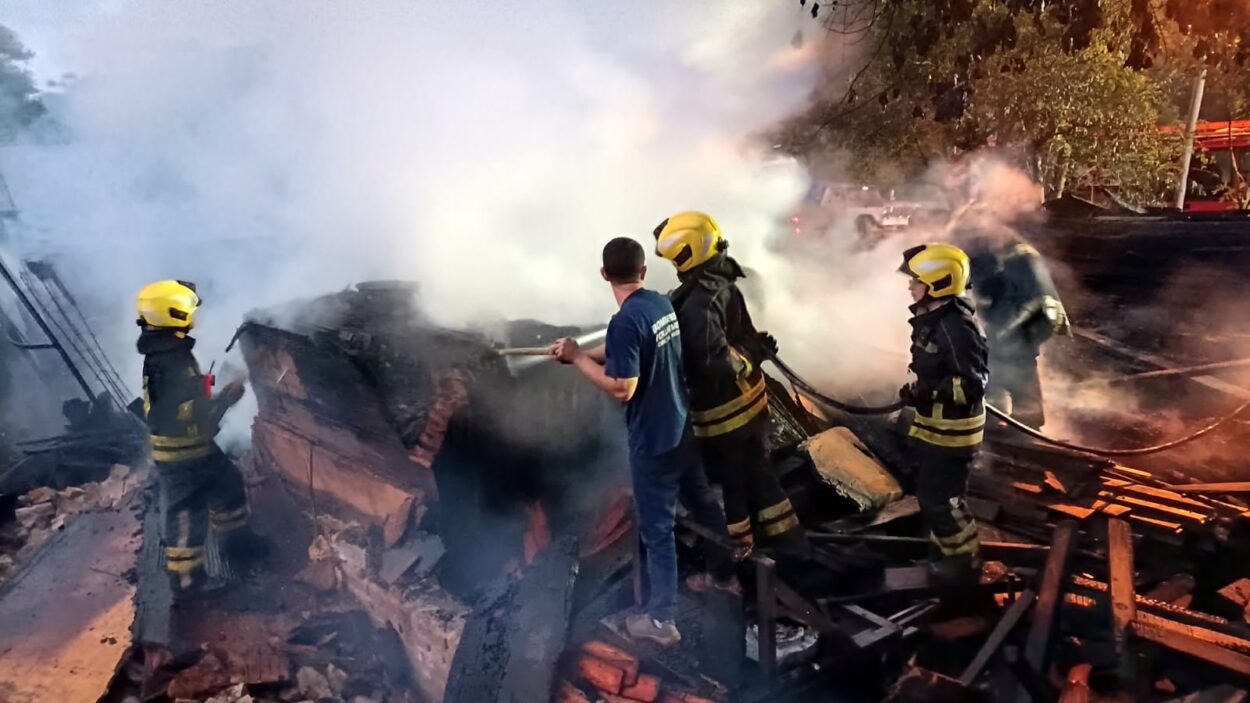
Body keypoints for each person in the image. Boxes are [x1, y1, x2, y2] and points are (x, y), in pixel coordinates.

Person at [551, 237, 729, 647]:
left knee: (657, 529)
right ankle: (725, 576)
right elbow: (629, 349)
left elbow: (623, 388)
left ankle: (661, 619)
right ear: (644, 271)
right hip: (682, 426)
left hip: (654, 442)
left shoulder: (625, 321)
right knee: (702, 500)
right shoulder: (659, 305)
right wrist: (576, 352)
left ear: (603, 274)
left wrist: (578, 360)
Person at [652, 211, 807, 558]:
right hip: (745, 408)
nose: (674, 265)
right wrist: (756, 348)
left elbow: (717, 363)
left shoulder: (701, 301)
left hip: (727, 416)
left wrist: (752, 352)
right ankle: (791, 545)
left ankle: (743, 551)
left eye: (675, 257)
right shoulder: (718, 281)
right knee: (759, 476)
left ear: (687, 253)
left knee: (733, 486)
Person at [136, 280, 263, 598]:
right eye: (188, 308)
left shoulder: (172, 350)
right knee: (185, 514)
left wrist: (220, 383)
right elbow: (172, 412)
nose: (193, 313)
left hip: (197, 448)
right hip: (180, 456)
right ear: (172, 313)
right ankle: (187, 580)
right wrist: (224, 400)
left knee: (228, 484)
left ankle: (237, 545)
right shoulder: (166, 361)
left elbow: (188, 392)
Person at [897, 244, 990, 583]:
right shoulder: (935, 319)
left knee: (943, 500)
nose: (910, 286)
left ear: (937, 283)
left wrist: (925, 391)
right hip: (937, 428)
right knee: (933, 496)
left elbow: (971, 386)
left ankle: (965, 563)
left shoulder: (955, 327)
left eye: (916, 280)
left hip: (954, 434)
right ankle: (944, 552)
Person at [959, 229, 1070, 429]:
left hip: (1011, 330)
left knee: (1011, 372)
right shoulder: (1019, 256)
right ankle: (1011, 419)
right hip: (1015, 330)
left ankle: (1014, 423)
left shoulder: (1012, 260)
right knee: (1005, 372)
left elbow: (991, 294)